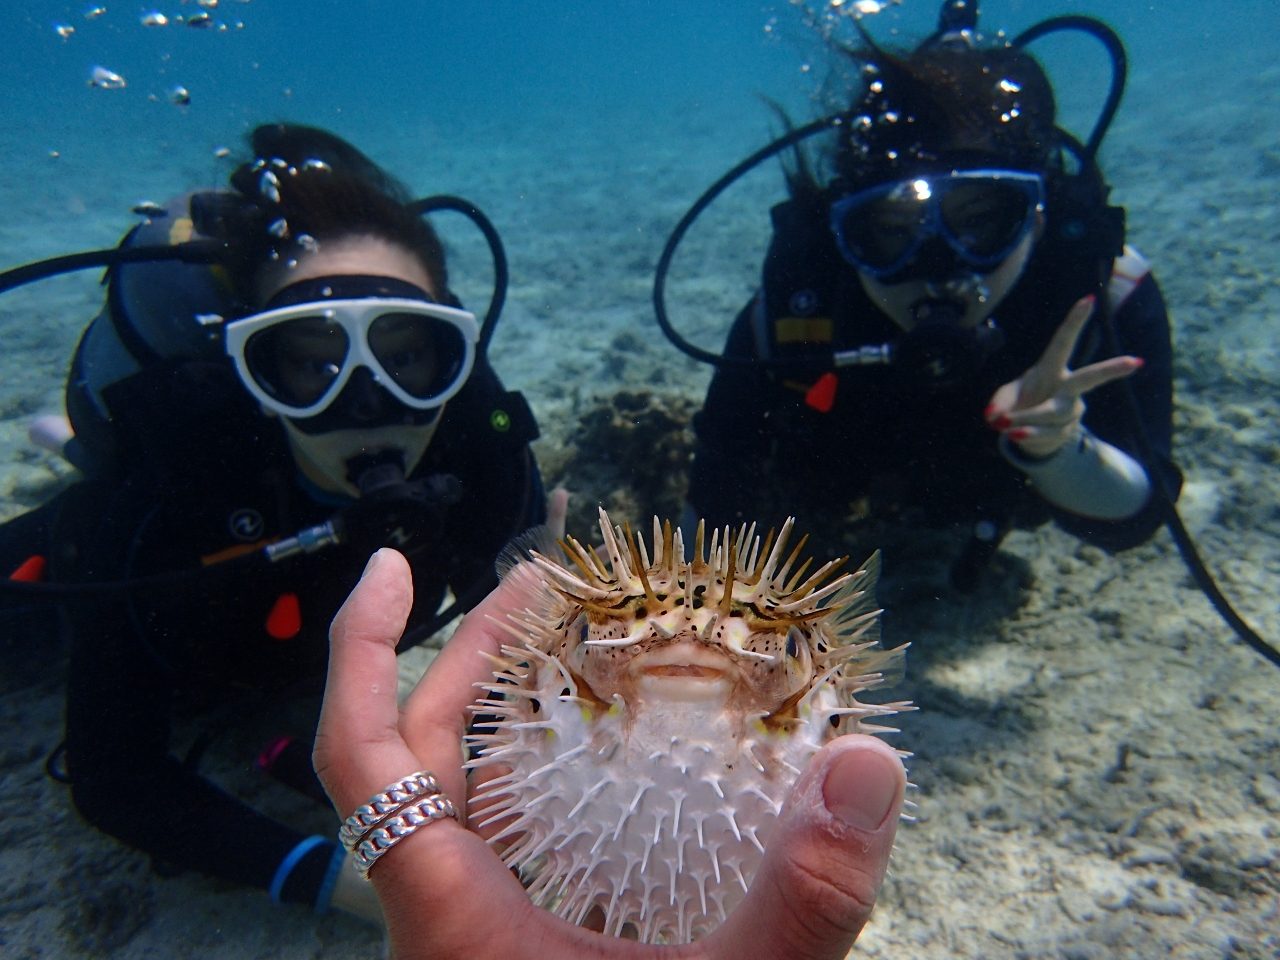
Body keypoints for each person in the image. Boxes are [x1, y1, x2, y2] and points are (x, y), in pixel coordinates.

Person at [0, 123, 545, 920]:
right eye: (312, 361)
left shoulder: (484, 462)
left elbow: (517, 681)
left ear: (451, 354)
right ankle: (66, 454)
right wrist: (333, 879)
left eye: (407, 356)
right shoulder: (172, 489)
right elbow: (114, 777)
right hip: (100, 593)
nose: (366, 405)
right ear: (251, 369)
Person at [681, 9, 1182, 589]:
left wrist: (1059, 446)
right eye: (893, 231)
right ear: (845, 236)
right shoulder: (803, 303)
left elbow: (1134, 517)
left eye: (980, 224)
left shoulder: (1101, 292)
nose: (937, 268)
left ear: (1037, 218)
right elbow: (720, 476)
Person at [314, 547, 908, 958]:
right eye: (598, 642)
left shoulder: (834, 701)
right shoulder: (532, 706)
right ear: (538, 683)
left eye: (777, 649)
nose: (687, 659)